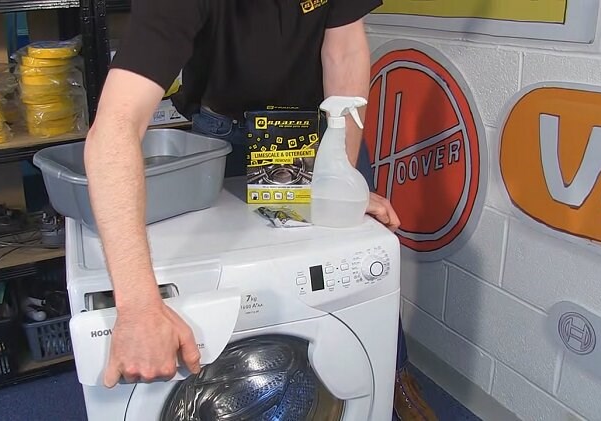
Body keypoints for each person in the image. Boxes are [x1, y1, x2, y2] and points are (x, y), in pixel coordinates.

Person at [83, 1, 438, 420]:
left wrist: (339, 177)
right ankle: (241, 392)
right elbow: (116, 124)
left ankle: (392, 376)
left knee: (358, 256)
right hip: (227, 131)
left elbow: (344, 49)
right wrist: (139, 306)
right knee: (235, 280)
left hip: (318, 130)